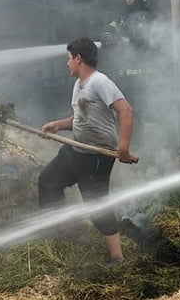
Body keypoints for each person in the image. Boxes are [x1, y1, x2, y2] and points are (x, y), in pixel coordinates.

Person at [38, 37, 136, 265]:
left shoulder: (100, 82)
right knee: (48, 181)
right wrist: (58, 125)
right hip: (76, 149)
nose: (67, 63)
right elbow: (81, 119)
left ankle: (117, 257)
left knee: (97, 205)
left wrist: (123, 148)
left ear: (78, 58)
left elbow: (126, 110)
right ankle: (63, 232)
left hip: (97, 156)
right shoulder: (79, 84)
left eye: (68, 58)